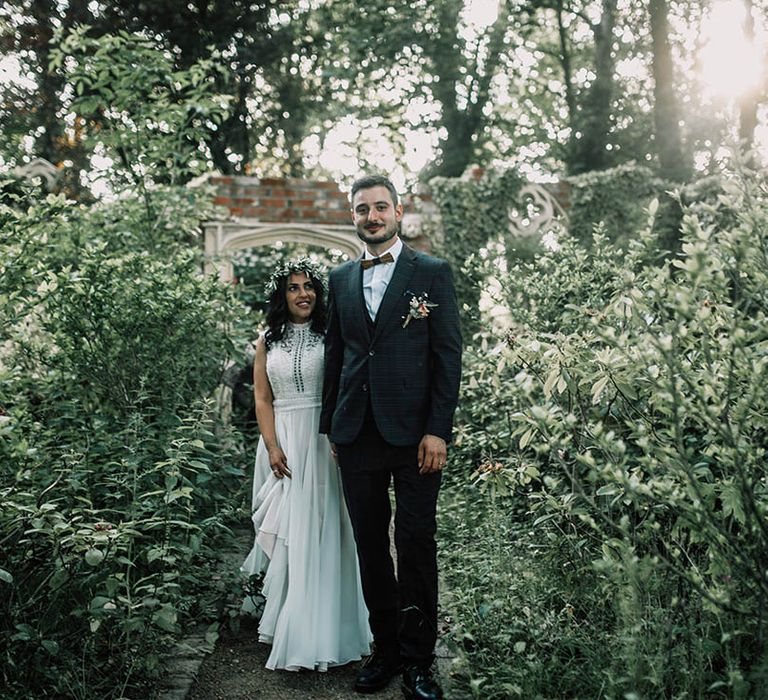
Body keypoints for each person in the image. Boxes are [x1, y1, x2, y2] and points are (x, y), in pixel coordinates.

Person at [320, 175, 462, 699]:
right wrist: (330, 425)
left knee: (416, 542)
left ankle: (420, 661)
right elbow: (337, 355)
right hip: (356, 433)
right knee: (371, 545)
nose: (372, 216)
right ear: (353, 217)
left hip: (415, 437)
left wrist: (437, 431)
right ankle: (385, 650)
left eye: (381, 207)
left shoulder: (433, 273)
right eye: (363, 209)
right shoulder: (338, 279)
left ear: (399, 213)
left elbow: (448, 357)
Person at [241, 257, 372, 672]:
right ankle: (288, 625)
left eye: (309, 286)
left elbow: (345, 383)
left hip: (323, 441)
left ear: (319, 292)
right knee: (290, 536)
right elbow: (262, 398)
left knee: (328, 529)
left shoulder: (331, 334)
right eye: (294, 287)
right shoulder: (267, 338)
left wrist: (338, 431)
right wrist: (272, 444)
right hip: (282, 445)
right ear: (283, 295)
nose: (303, 294)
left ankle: (330, 628)